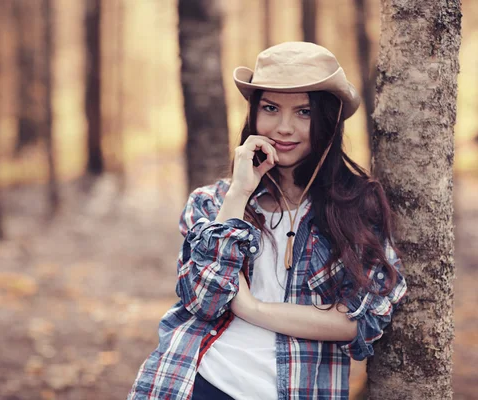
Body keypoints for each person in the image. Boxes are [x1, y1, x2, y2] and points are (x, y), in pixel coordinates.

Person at [127, 41, 408, 400]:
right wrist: (239, 192)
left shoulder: (355, 207)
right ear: (253, 114)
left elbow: (357, 319)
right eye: (271, 108)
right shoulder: (212, 202)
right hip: (199, 383)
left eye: (303, 112)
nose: (284, 127)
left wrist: (250, 306)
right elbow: (205, 301)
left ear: (328, 119)